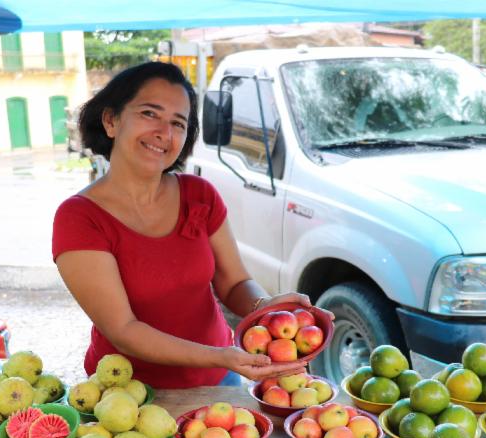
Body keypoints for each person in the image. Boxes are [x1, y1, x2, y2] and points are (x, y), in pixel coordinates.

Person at [52, 62, 331, 389]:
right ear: (111, 120)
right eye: (150, 114)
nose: (164, 133)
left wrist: (266, 307)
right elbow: (124, 330)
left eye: (178, 123)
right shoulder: (79, 218)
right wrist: (220, 355)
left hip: (219, 379)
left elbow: (234, 283)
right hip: (131, 396)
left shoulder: (199, 195)